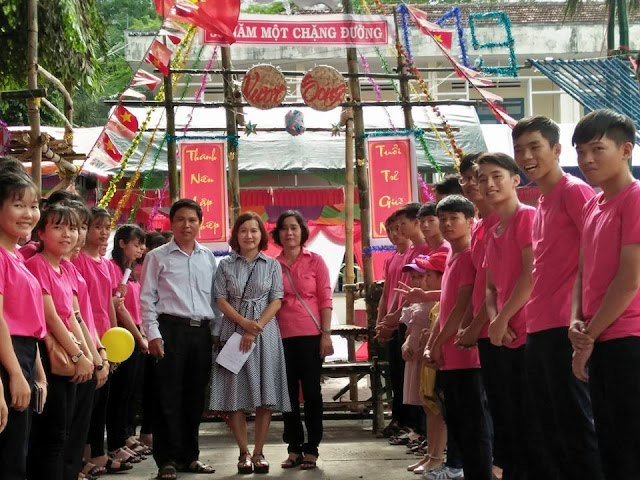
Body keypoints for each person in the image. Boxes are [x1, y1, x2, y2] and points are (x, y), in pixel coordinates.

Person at [513, 116, 603, 480]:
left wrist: (586, 322)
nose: (526, 156)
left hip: (566, 326)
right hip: (538, 326)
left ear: (557, 150)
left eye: (535, 147)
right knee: (548, 427)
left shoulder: (574, 191)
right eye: (519, 149)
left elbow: (596, 256)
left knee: (576, 426)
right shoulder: (543, 201)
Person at [569, 109, 640, 479]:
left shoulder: (635, 198)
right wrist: (575, 322)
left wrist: (588, 337)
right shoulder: (592, 204)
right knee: (610, 443)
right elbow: (583, 272)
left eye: (597, 149)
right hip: (599, 338)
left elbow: (629, 280)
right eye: (581, 152)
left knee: (629, 446)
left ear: (626, 150)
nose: (587, 160)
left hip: (629, 339)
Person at [140, 199, 220, 480]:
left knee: (195, 397)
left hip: (201, 333)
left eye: (192, 220)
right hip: (169, 331)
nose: (187, 225)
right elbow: (147, 299)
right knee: (167, 396)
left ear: (200, 223)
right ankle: (167, 460)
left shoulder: (208, 257)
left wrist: (215, 333)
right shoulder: (157, 257)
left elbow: (215, 299)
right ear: (171, 223)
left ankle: (190, 456)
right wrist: (153, 334)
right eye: (181, 220)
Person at [209, 212, 290, 475]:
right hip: (233, 330)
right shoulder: (225, 265)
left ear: (261, 235)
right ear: (236, 235)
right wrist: (244, 324)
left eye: (254, 230)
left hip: (264, 333)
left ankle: (259, 452)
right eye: (243, 230)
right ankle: (243, 452)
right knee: (234, 394)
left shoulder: (272, 265)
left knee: (265, 395)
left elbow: (276, 300)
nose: (249, 235)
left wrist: (255, 328)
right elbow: (220, 299)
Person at [424, 195, 492, 480]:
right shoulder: (452, 256)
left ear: (470, 220)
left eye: (454, 218)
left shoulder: (469, 254)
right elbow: (445, 306)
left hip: (467, 355)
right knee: (458, 423)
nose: (448, 224)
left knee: (474, 427)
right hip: (449, 356)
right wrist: (432, 344)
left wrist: (438, 343)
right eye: (443, 219)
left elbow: (462, 306)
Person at [26, 205, 94, 480]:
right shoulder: (37, 264)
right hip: (49, 354)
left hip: (68, 352)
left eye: (73, 228)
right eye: (58, 227)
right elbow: (51, 318)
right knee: (50, 436)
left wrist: (90, 356)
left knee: (63, 433)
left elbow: (74, 317)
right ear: (41, 232)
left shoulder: (65, 268)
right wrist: (78, 356)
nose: (67, 234)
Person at [478, 153, 535, 479]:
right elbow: (490, 288)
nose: (489, 184)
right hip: (502, 335)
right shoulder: (492, 230)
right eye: (482, 178)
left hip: (528, 332)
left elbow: (531, 275)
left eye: (496, 176)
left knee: (532, 421)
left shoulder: (527, 217)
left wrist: (503, 319)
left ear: (515, 180)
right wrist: (495, 319)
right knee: (507, 419)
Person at [454, 154, 505, 477]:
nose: (475, 184)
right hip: (484, 331)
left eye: (483, 177)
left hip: (505, 331)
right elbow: (480, 285)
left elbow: (506, 282)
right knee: (495, 410)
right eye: (470, 178)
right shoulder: (480, 228)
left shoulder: (510, 219)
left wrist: (482, 324)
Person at [272, 210, 333, 470]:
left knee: (311, 394)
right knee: (286, 395)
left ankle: (312, 448)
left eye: (294, 227)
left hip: (311, 336)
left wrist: (326, 334)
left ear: (302, 231)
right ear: (278, 233)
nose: (289, 233)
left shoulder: (316, 261)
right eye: (284, 228)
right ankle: (294, 448)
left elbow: (325, 299)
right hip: (280, 337)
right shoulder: (272, 265)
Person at [72, 207, 128, 474]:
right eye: (97, 227)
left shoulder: (104, 263)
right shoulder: (78, 261)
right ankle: (85, 456)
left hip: (105, 338)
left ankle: (97, 452)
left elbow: (108, 303)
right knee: (88, 402)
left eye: (107, 227)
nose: (104, 232)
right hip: (86, 337)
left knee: (102, 400)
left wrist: (115, 335)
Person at [0, 171, 48, 480]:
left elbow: (31, 322)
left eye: (33, 206)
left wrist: (37, 373)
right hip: (8, 359)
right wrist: (15, 375)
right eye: (19, 205)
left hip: (24, 356)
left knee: (18, 454)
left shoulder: (15, 255)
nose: (29, 214)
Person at [60, 201, 109, 480]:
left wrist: (98, 352)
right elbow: (60, 317)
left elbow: (82, 316)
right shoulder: (42, 263)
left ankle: (74, 466)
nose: (74, 234)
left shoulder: (70, 268)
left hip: (89, 349)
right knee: (62, 427)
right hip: (68, 354)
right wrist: (85, 355)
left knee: (81, 418)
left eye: (79, 227)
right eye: (67, 227)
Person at [107, 224, 150, 463]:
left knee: (131, 391)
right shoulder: (113, 269)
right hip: (124, 334)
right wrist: (138, 336)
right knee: (119, 392)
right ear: (122, 243)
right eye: (137, 243)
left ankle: (125, 436)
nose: (141, 249)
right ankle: (115, 442)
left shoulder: (130, 272)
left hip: (136, 332)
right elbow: (118, 308)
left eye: (142, 244)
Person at [400, 253, 446, 475]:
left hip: (431, 359)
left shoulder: (439, 301)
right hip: (419, 358)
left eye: (427, 275)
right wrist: (407, 342)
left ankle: (438, 456)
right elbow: (410, 330)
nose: (422, 281)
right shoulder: (419, 302)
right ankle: (431, 453)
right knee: (428, 406)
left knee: (436, 407)